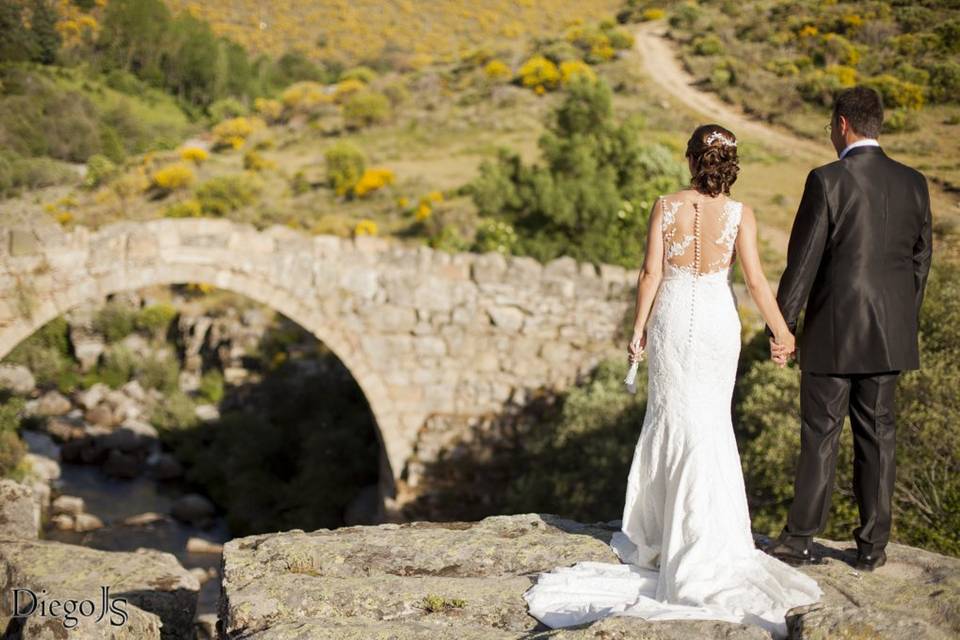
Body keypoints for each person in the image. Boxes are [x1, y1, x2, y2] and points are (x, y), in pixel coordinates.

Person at [523, 124, 822, 639]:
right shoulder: (740, 214)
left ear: (690, 160)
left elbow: (650, 275)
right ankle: (708, 538)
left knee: (672, 418)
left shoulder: (665, 206)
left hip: (671, 321)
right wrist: (782, 331)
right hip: (715, 321)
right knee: (709, 423)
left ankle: (663, 535)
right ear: (730, 164)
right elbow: (753, 280)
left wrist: (638, 329)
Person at [763, 86, 933, 572]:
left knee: (820, 435)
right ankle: (872, 548)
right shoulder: (915, 182)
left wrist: (783, 326)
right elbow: (922, 260)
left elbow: (803, 263)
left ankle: (798, 541)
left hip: (833, 333)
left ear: (841, 124)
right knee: (878, 437)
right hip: (890, 334)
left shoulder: (826, 180)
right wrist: (904, 318)